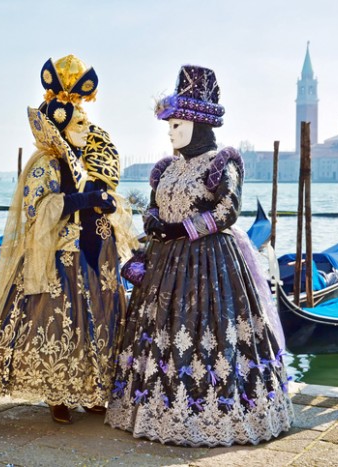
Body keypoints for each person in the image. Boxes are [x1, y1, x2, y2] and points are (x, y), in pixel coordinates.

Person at [106, 65, 293, 446]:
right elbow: (156, 204)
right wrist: (155, 220)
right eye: (169, 126)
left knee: (211, 334)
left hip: (211, 263)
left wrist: (182, 229)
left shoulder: (222, 163)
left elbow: (229, 211)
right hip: (165, 264)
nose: (171, 132)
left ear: (198, 123)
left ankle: (219, 414)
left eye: (177, 125)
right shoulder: (167, 169)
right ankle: (157, 409)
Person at [0, 55, 136, 424]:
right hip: (62, 256)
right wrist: (84, 199)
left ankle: (95, 391)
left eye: (86, 121)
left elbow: (108, 195)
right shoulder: (45, 163)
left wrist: (105, 203)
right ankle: (58, 394)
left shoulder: (93, 158)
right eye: (79, 123)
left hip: (98, 254)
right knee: (62, 324)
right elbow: (37, 210)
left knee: (102, 322)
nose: (86, 128)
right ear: (61, 126)